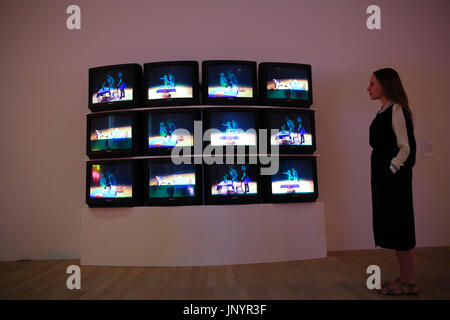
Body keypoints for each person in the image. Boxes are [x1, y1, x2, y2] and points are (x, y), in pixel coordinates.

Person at [367, 68, 418, 295]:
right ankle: (406, 278)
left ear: (385, 85)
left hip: (393, 180)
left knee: (401, 227)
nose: (368, 88)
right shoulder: (384, 110)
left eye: (372, 84)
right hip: (384, 179)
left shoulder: (396, 109)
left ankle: (408, 282)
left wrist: (391, 169)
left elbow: (405, 147)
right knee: (396, 227)